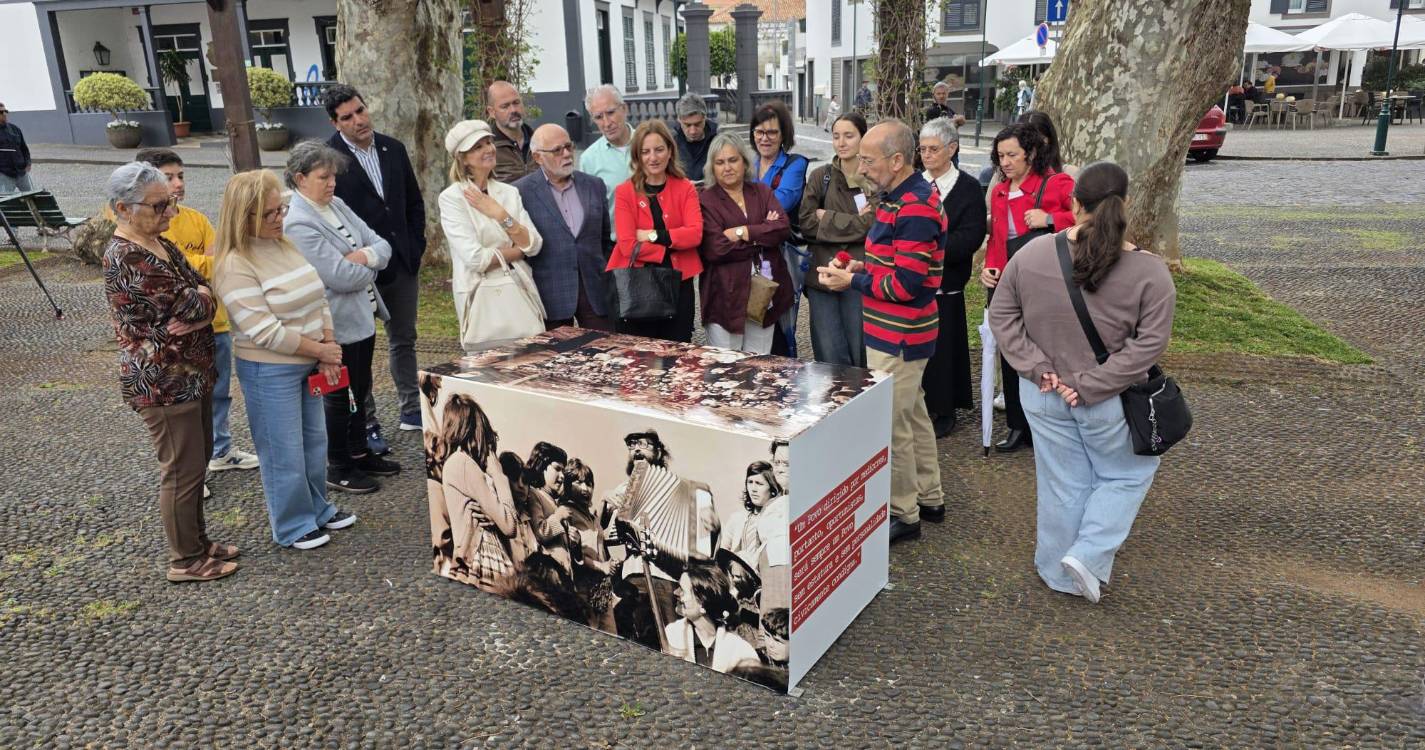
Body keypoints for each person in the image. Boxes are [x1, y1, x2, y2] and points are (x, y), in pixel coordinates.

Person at [987, 161, 1175, 604]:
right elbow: (1148, 346)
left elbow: (1001, 316)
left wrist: (1035, 367)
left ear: (1074, 204)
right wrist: (1093, 382)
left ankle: (1058, 570)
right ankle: (1088, 555)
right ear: (1125, 205)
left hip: (1043, 391)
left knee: (1062, 482)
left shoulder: (1031, 255)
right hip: (1109, 398)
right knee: (1127, 474)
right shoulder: (1151, 273)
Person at [101, 161, 235, 582]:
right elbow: (192, 303)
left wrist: (199, 302)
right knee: (181, 470)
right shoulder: (126, 255)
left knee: (194, 466)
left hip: (191, 373)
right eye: (159, 207)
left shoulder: (160, 244)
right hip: (162, 382)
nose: (169, 214)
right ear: (124, 208)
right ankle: (185, 560)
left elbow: (204, 288)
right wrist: (198, 303)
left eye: (171, 204)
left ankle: (198, 541)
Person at [815, 120, 945, 544]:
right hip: (899, 332)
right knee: (914, 414)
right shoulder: (900, 199)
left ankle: (904, 513)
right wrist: (860, 267)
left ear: (896, 160)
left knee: (894, 425)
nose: (863, 168)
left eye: (869, 161)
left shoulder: (914, 207)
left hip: (900, 334)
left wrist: (850, 282)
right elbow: (899, 267)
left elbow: (907, 286)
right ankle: (930, 496)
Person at [214, 169, 356, 551]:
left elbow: (317, 296)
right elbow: (264, 331)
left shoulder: (283, 244)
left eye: (282, 209)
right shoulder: (234, 264)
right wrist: (322, 351)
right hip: (269, 367)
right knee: (282, 450)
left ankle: (317, 508)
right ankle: (292, 524)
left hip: (309, 359)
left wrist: (328, 345)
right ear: (243, 217)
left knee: (313, 441)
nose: (281, 219)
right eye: (270, 214)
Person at [123, 148, 260, 479]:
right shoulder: (147, 229)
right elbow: (178, 279)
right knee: (186, 410)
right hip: (176, 341)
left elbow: (220, 263)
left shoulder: (196, 219)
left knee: (219, 392)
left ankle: (222, 450)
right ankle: (191, 472)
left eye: (180, 175)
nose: (178, 184)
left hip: (217, 322)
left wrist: (196, 271)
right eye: (169, 177)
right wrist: (198, 272)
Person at [282, 140, 401, 494]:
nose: (332, 183)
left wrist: (362, 258)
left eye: (333, 175)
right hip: (335, 324)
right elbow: (337, 276)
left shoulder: (337, 204)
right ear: (300, 178)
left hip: (361, 314)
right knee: (339, 395)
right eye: (323, 177)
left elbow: (382, 244)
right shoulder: (299, 223)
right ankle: (339, 464)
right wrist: (371, 262)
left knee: (360, 389)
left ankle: (360, 452)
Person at [323, 84, 426, 447]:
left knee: (403, 338)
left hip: (401, 262)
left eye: (361, 110)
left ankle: (412, 408)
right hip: (357, 270)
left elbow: (413, 202)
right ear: (335, 123)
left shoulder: (393, 148)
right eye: (348, 117)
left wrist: (416, 246)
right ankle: (366, 423)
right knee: (358, 346)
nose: (359, 120)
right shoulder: (328, 158)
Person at [983, 123, 1076, 453]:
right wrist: (989, 268)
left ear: (1031, 153)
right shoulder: (998, 190)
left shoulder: (1057, 182)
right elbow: (997, 239)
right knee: (1012, 353)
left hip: (1046, 285)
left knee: (1048, 353)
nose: (1005, 162)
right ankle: (1017, 424)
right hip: (1007, 282)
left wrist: (1051, 219)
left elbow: (1087, 217)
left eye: (1012, 155)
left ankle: (1052, 424)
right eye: (1000, 156)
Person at [438, 119, 543, 335]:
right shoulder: (452, 198)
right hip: (479, 294)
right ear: (463, 159)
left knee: (529, 360)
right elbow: (475, 259)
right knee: (488, 365)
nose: (488, 149)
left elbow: (534, 245)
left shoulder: (508, 192)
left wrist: (500, 214)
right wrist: (517, 251)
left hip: (519, 289)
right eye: (478, 147)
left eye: (488, 143)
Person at [919, 118, 986, 439]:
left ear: (952, 149)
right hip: (912, 285)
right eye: (923, 149)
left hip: (947, 284)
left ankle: (945, 408)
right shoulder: (913, 185)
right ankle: (917, 405)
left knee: (944, 350)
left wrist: (923, 251)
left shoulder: (969, 188)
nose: (927, 155)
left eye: (934, 149)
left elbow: (970, 237)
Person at [607, 119, 703, 343]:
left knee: (678, 354)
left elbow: (695, 234)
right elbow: (628, 244)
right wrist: (668, 249)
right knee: (640, 357)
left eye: (659, 149)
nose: (653, 157)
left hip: (679, 285)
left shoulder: (685, 187)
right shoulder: (624, 192)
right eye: (645, 151)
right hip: (638, 285)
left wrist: (653, 235)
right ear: (637, 156)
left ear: (670, 151)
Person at [697, 132, 793, 354]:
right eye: (720, 162)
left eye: (733, 160)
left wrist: (742, 231)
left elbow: (782, 228)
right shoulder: (706, 200)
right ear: (712, 167)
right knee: (727, 367)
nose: (727, 167)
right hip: (725, 295)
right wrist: (762, 236)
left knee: (759, 365)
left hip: (763, 292)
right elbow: (716, 249)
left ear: (744, 161)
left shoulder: (761, 191)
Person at [514, 124, 613, 331]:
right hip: (549, 292)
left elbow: (604, 238)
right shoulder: (520, 192)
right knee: (556, 359)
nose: (567, 154)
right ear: (538, 157)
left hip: (594, 290)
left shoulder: (594, 185)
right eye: (557, 150)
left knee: (605, 354)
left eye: (568, 146)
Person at [800, 112, 872, 367]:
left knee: (860, 348)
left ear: (863, 138)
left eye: (849, 136)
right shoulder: (821, 176)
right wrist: (856, 221)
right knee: (828, 350)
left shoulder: (873, 179)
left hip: (860, 274)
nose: (841, 142)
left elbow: (873, 225)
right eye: (836, 136)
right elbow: (806, 222)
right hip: (823, 274)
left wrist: (827, 218)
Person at [440, 393, 521, 591]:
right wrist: (499, 476)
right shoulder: (464, 463)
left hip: (472, 558)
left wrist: (493, 518)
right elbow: (510, 525)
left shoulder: (454, 464)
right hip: (483, 559)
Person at [749, 100, 809, 356]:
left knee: (781, 325)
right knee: (752, 319)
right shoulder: (747, 163)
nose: (765, 138)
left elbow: (782, 202)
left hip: (782, 259)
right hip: (749, 255)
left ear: (783, 134)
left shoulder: (795, 164)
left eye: (772, 132)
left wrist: (743, 212)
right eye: (760, 132)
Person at [663, 560, 761, 674]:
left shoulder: (740, 651)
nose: (675, 592)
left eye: (682, 591)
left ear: (703, 604)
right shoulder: (672, 636)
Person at [578, 85, 634, 227]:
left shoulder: (649, 144)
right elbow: (589, 212)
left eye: (610, 112)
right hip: (614, 244)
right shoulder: (588, 160)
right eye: (598, 117)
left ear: (624, 109)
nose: (607, 123)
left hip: (656, 238)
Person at [719, 460, 785, 570]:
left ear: (772, 489)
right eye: (750, 482)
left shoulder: (778, 519)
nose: (753, 489)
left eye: (759, 484)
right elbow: (723, 553)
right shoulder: (736, 519)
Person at [487, 80, 537, 183]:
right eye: (505, 106)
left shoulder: (539, 141)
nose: (513, 110)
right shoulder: (487, 147)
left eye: (516, 103)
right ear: (492, 112)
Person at [673, 93, 718, 185]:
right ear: (679, 120)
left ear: (705, 118)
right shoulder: (671, 142)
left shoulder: (718, 140)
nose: (693, 131)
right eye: (687, 125)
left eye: (697, 124)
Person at [920, 82, 966, 170]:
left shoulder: (949, 110)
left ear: (947, 94)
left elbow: (960, 121)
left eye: (944, 93)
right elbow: (938, 127)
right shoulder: (932, 111)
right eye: (939, 94)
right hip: (941, 152)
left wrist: (960, 120)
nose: (941, 96)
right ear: (934, 95)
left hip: (953, 151)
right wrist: (954, 120)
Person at [0, 103, 34, 195]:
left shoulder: (15, 129)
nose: (4, 114)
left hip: (21, 172)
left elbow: (24, 148)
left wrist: (28, 163)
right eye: (1, 112)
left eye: (5, 111)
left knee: (31, 197)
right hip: (5, 174)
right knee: (5, 202)